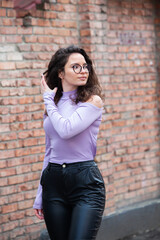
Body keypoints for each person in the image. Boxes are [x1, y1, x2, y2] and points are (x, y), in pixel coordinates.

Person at [33, 45, 106, 240]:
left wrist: (48, 100)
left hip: (85, 183)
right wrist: (40, 194)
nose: (83, 71)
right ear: (60, 73)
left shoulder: (92, 101)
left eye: (85, 66)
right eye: (76, 67)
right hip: (53, 182)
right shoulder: (53, 105)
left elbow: (67, 130)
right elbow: (49, 151)